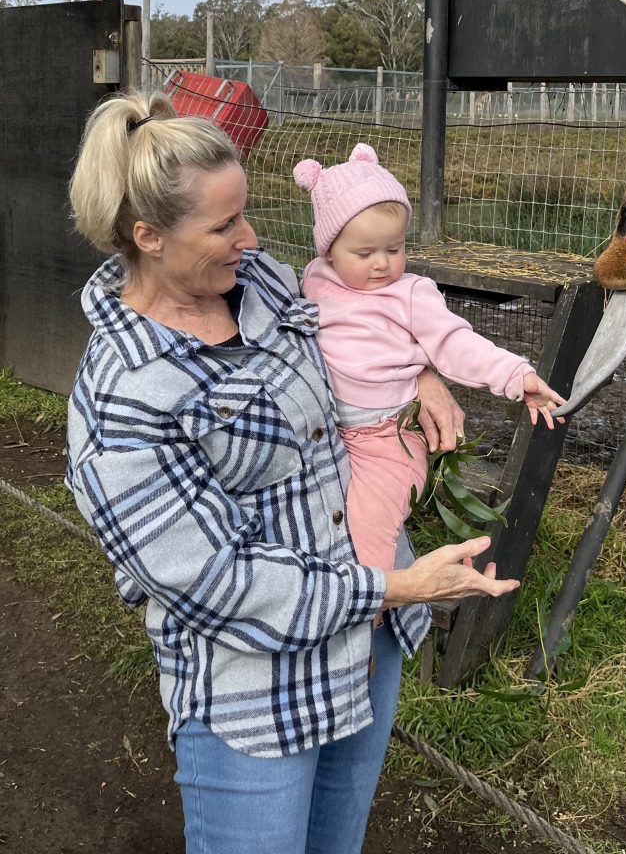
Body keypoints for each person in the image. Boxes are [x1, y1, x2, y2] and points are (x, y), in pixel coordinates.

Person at [64, 90, 520, 854]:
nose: (251, 236)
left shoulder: (265, 285)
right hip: (258, 694)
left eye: (246, 212)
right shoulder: (122, 400)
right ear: (148, 236)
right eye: (223, 225)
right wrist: (402, 587)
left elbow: (359, 330)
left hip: (364, 643)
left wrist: (421, 378)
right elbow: (211, 580)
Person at [293, 143, 567, 572]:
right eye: (364, 254)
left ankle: (376, 608)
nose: (382, 264)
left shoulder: (409, 293)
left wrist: (516, 376)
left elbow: (456, 342)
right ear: (328, 249)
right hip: (326, 429)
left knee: (369, 528)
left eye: (394, 248)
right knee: (318, 522)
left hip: (388, 436)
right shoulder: (314, 279)